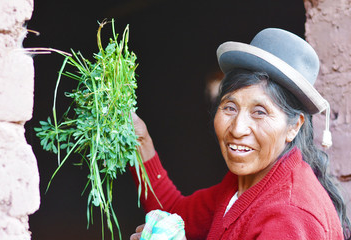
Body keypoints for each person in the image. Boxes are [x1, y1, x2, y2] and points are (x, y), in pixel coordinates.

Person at [129, 28, 351, 239]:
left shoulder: (290, 214)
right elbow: (175, 212)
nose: (237, 129)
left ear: (294, 127)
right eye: (230, 108)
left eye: (259, 112)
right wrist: (141, 141)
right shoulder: (242, 185)